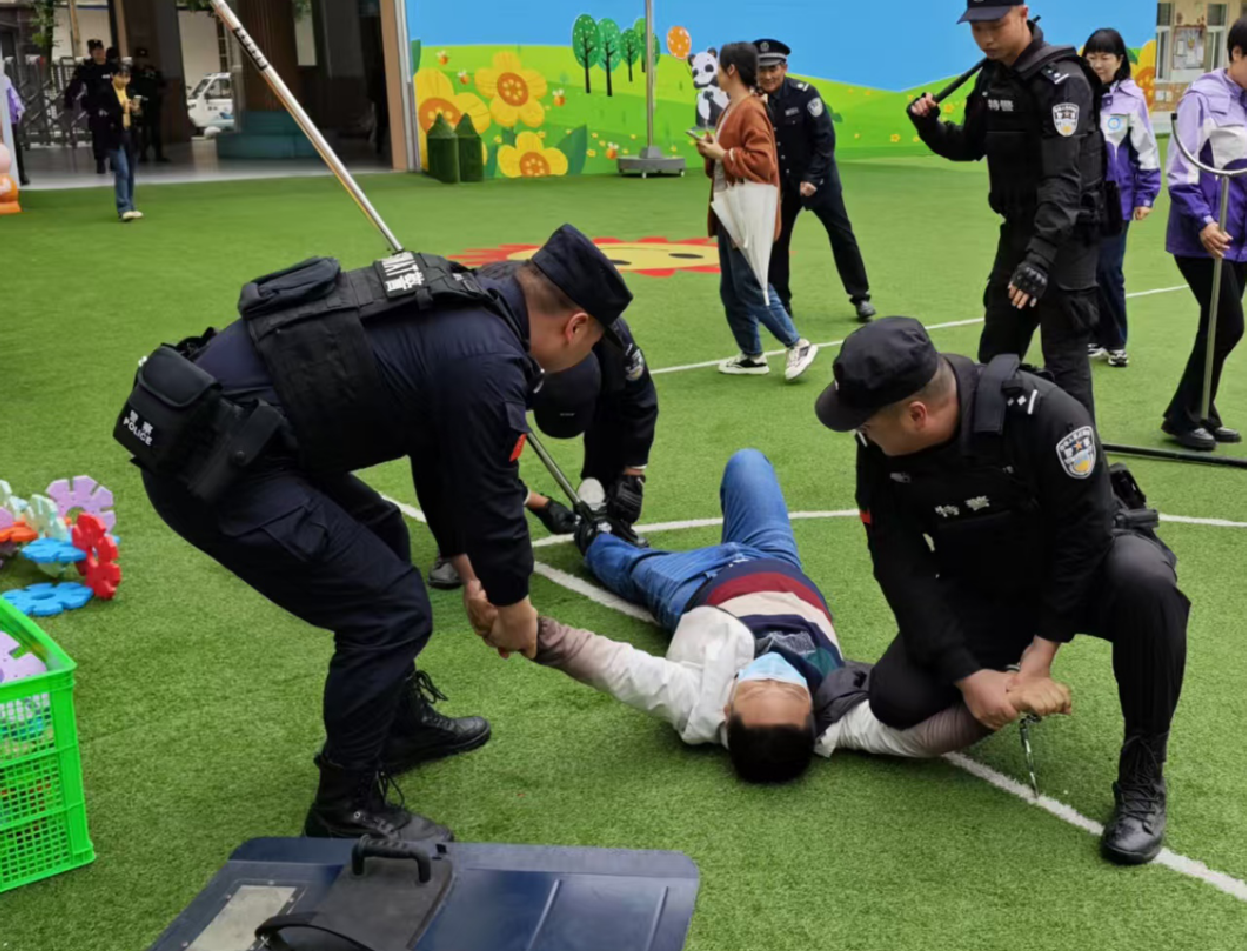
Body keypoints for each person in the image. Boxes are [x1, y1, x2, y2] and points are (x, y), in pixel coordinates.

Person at [128, 225, 632, 843]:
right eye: (595, 343)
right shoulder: (490, 359)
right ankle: (344, 807)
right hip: (211, 467)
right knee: (389, 612)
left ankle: (397, 727)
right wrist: (513, 602)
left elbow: (439, 453)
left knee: (383, 530)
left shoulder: (469, 298)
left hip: (238, 438)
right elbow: (491, 495)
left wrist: (470, 572)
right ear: (576, 326)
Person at [815, 317, 1191, 865]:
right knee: (896, 699)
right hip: (988, 582)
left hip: (1082, 574)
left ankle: (1142, 772)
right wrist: (970, 677)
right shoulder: (878, 448)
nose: (862, 434)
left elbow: (1085, 538)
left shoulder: (1046, 414)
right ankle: (1001, 680)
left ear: (917, 415)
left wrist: (1041, 654)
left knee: (1147, 584)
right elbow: (899, 565)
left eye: (866, 423)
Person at [529, 449, 1074, 782]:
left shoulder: (696, 702)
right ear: (811, 716)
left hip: (693, 583)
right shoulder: (836, 719)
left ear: (727, 709)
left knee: (618, 559)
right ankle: (604, 533)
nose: (776, 676)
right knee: (747, 462)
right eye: (789, 692)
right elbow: (923, 740)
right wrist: (1006, 701)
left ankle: (590, 529)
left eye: (757, 688)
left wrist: (533, 632)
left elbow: (618, 667)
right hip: (774, 558)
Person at [907, 0, 1109, 420]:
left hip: (1065, 241)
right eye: (977, 29)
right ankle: (991, 450)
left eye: (995, 26)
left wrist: (1039, 260)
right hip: (1018, 231)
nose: (986, 39)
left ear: (1023, 14)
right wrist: (929, 126)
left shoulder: (1063, 81)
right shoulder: (992, 76)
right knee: (997, 351)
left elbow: (1064, 180)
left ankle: (1082, 458)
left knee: (1065, 359)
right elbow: (969, 145)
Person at [423, 300, 658, 589]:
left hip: (569, 347)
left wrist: (632, 475)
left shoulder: (613, 340)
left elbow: (640, 403)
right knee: (452, 448)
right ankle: (456, 546)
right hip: (453, 355)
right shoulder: (490, 363)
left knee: (616, 412)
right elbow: (466, 455)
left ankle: (606, 514)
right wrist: (535, 501)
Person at [1161, 12, 1247, 451]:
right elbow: (1181, 172)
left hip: (1240, 234)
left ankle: (1202, 412)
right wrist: (1204, 223)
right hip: (1204, 238)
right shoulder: (1202, 97)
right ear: (1236, 52)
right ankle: (1181, 416)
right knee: (1228, 324)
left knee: (1216, 326)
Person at [695, 42, 818, 382]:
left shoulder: (750, 110)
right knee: (732, 289)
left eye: (720, 68)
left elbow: (763, 163)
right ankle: (752, 355)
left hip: (747, 212)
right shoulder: (732, 109)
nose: (717, 75)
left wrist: (723, 154)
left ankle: (797, 344)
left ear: (732, 70)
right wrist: (712, 152)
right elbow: (730, 156)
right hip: (729, 210)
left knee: (751, 285)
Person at [755, 39, 875, 322]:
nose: (768, 76)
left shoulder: (805, 95)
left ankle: (861, 297)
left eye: (773, 69)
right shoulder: (752, 100)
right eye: (762, 70)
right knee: (777, 240)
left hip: (819, 180)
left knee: (841, 235)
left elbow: (825, 141)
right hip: (783, 184)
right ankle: (780, 303)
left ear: (784, 68)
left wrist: (811, 178)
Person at [1084, 28, 1161, 370]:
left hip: (1117, 198)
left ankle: (1116, 341)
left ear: (1119, 61)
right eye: (1092, 57)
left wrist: (1147, 194)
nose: (1098, 64)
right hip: (1080, 197)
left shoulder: (1131, 98)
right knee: (1084, 270)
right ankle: (1093, 336)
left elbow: (1146, 149)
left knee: (1108, 269)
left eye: (1105, 57)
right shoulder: (1076, 92)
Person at [93, 63, 142, 222]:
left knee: (131, 171)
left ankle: (131, 205)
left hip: (130, 134)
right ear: (113, 76)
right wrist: (122, 108)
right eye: (121, 76)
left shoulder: (130, 91)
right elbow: (103, 115)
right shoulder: (104, 92)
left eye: (127, 77)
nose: (125, 80)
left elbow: (138, 114)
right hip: (113, 136)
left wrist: (136, 110)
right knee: (122, 170)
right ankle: (123, 207)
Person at [63, 38, 116, 175]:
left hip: (113, 106)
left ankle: (114, 161)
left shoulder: (112, 67)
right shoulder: (86, 69)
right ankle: (100, 162)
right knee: (99, 135)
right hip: (95, 107)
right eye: (95, 50)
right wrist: (69, 101)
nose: (99, 53)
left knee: (114, 134)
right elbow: (75, 86)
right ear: (91, 53)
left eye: (100, 50)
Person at [131, 47, 171, 165]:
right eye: (140, 58)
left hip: (153, 104)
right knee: (141, 131)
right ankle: (142, 155)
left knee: (155, 130)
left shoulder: (153, 71)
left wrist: (161, 98)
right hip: (139, 104)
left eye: (144, 58)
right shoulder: (132, 71)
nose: (142, 61)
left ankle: (159, 154)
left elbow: (162, 85)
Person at [1, 73, 31, 188]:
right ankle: (19, 175)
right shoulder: (4, 80)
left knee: (14, 147)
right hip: (9, 118)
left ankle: (19, 174)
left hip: (10, 118)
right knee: (13, 147)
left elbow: (14, 100)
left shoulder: (4, 80)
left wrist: (17, 113)